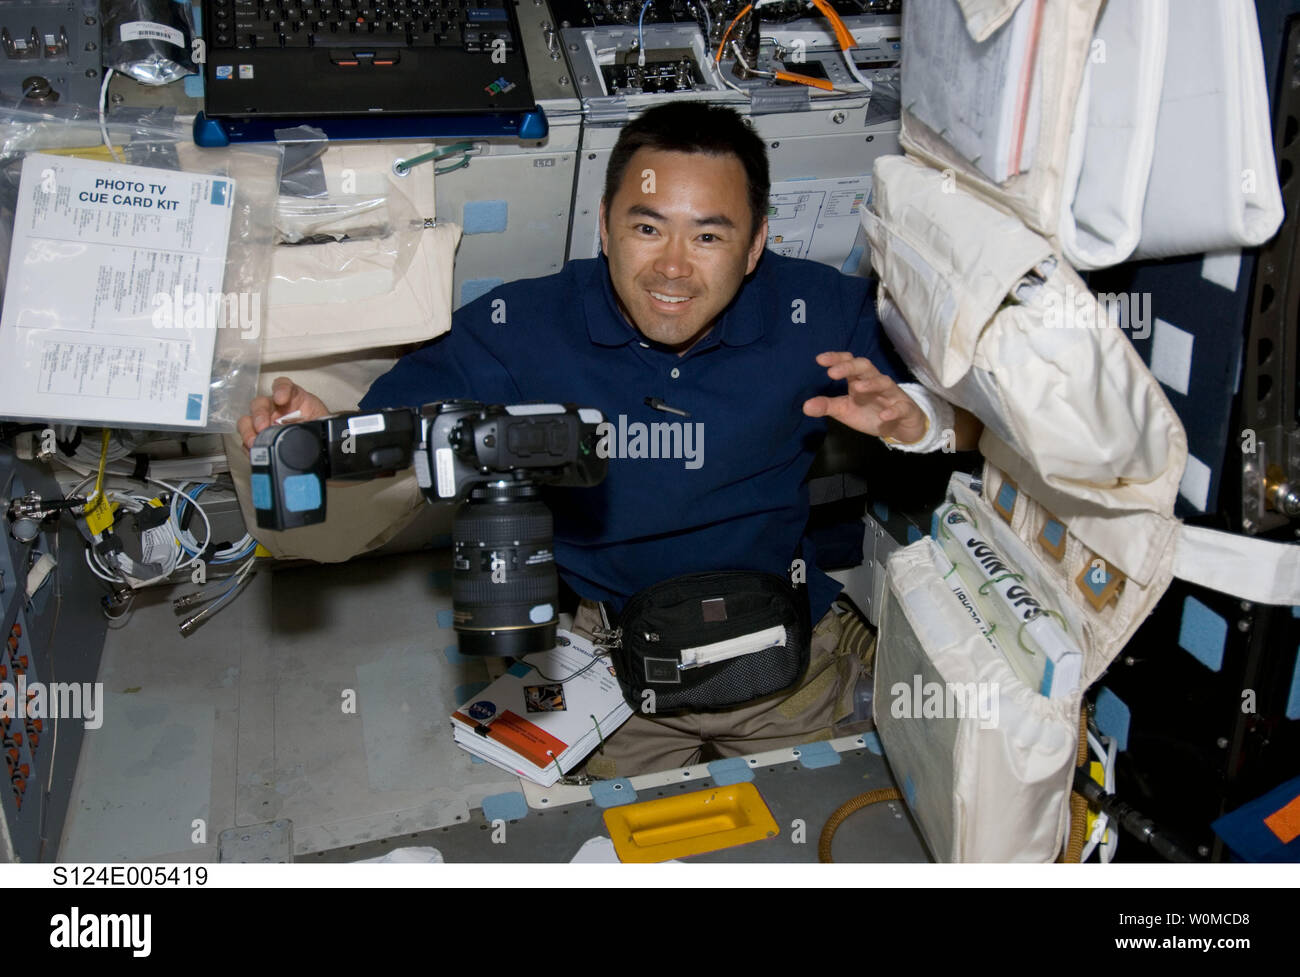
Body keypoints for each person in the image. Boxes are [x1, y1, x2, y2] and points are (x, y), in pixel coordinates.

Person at [238, 102, 980, 777]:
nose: (672, 269)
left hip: (785, 640)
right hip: (613, 659)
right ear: (605, 224)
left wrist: (922, 420)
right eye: (647, 226)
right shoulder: (519, 327)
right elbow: (393, 425)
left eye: (709, 235)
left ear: (756, 245)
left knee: (853, 811)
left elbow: (982, 420)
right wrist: (318, 431)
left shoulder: (817, 312)